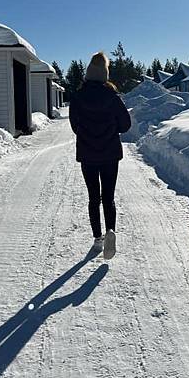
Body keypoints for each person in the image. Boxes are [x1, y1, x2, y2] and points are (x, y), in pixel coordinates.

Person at [69, 52, 131, 259]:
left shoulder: (78, 96)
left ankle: (97, 239)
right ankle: (110, 230)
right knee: (109, 197)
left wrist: (88, 133)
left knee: (93, 197)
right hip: (110, 153)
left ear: (88, 73)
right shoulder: (112, 97)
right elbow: (126, 124)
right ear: (105, 73)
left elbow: (75, 126)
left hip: (87, 154)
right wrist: (110, 129)